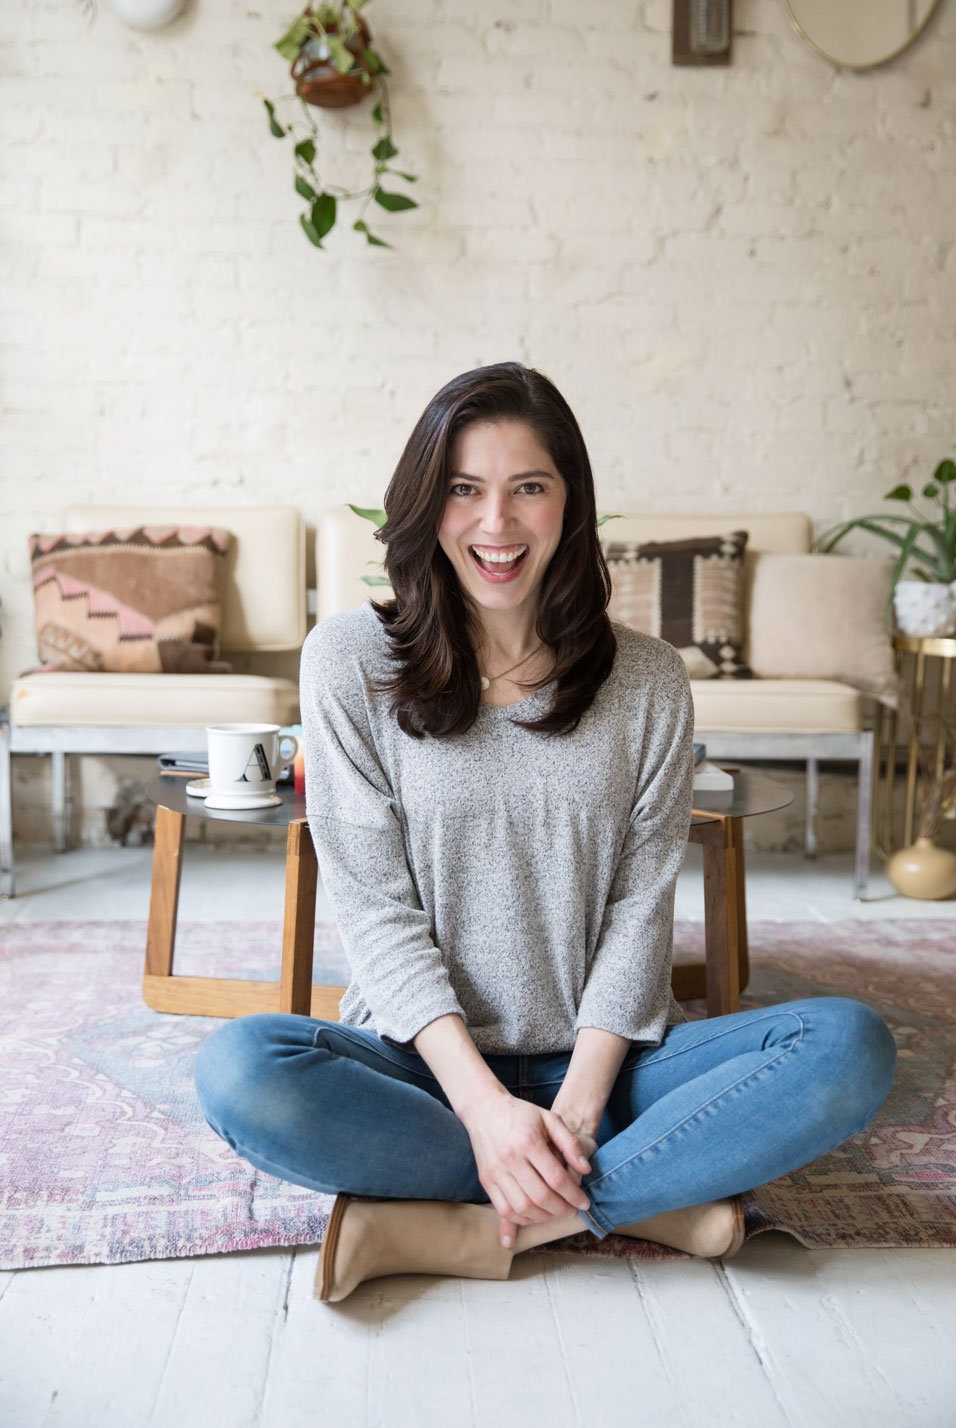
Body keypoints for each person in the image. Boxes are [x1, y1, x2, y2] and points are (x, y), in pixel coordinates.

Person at [194, 362, 898, 1304]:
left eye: (529, 487)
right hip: (422, 1064)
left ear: (571, 502)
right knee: (241, 1071)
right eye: (464, 490)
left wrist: (572, 1106)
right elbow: (372, 908)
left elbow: (637, 916)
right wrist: (486, 1111)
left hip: (606, 1067)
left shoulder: (646, 680)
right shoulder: (347, 662)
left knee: (848, 1046)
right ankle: (651, 1201)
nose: (497, 523)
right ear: (426, 506)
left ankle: (495, 1223)